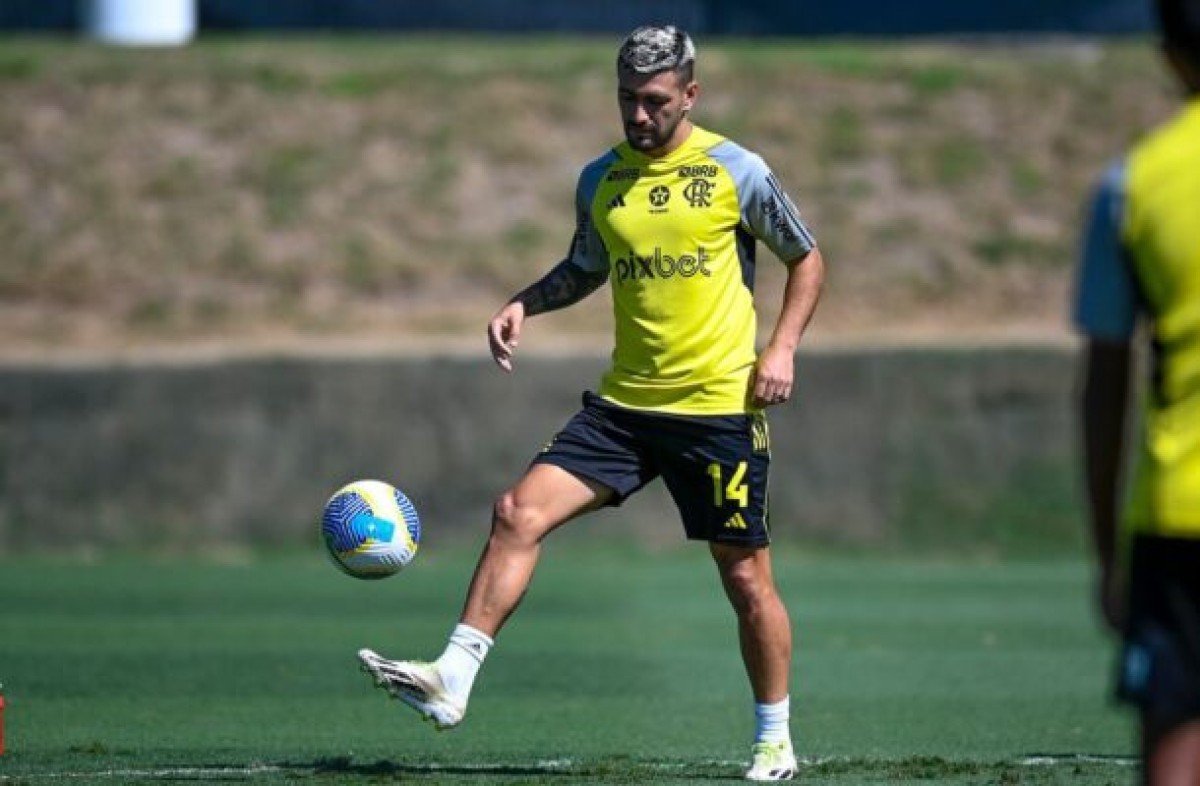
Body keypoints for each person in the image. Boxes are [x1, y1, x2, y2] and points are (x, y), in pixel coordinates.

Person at [358, 25, 824, 781]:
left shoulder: (738, 170)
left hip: (717, 410)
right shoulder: (601, 179)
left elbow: (806, 257)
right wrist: (525, 302)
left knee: (744, 578)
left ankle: (774, 739)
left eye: (654, 101)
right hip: (623, 410)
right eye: (626, 99)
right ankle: (452, 679)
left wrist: (783, 348)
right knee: (517, 513)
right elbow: (585, 266)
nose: (638, 115)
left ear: (690, 95)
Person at [1075, 1, 1200, 783]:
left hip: (1180, 514)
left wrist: (1105, 553)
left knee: (1175, 742)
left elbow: (1104, 387)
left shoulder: (1133, 186)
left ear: (1169, 52)